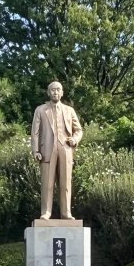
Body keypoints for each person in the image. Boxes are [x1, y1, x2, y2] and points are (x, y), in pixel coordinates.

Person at [30, 80, 83, 220]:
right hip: (47, 150)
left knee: (65, 183)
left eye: (58, 89)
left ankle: (66, 213)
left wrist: (75, 139)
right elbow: (35, 132)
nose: (55, 92)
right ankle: (46, 212)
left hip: (65, 149)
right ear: (48, 92)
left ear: (62, 92)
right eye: (53, 90)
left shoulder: (69, 110)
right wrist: (35, 151)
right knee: (47, 183)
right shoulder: (40, 110)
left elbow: (78, 130)